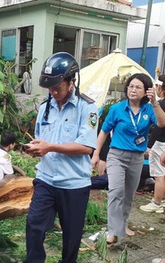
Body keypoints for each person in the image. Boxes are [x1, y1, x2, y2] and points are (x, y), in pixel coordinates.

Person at [24, 52, 98, 263]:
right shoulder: (45, 108)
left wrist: (50, 147)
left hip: (73, 184)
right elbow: (42, 139)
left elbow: (86, 147)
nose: (53, 92)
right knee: (34, 224)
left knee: (71, 236)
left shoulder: (88, 108)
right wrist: (35, 147)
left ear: (72, 81)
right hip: (46, 179)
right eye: (50, 88)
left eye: (58, 87)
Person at [91, 73, 165, 244]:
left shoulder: (149, 109)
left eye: (138, 87)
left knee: (128, 194)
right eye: (131, 86)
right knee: (115, 191)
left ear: (146, 90)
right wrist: (96, 154)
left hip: (137, 157)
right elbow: (103, 132)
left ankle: (122, 225)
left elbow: (162, 123)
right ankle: (113, 231)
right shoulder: (117, 109)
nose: (133, 90)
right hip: (117, 155)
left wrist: (154, 103)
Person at [140, 75, 165, 213]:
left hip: (161, 143)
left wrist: (149, 145)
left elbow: (159, 127)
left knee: (158, 174)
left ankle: (156, 202)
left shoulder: (161, 104)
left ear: (160, 88)